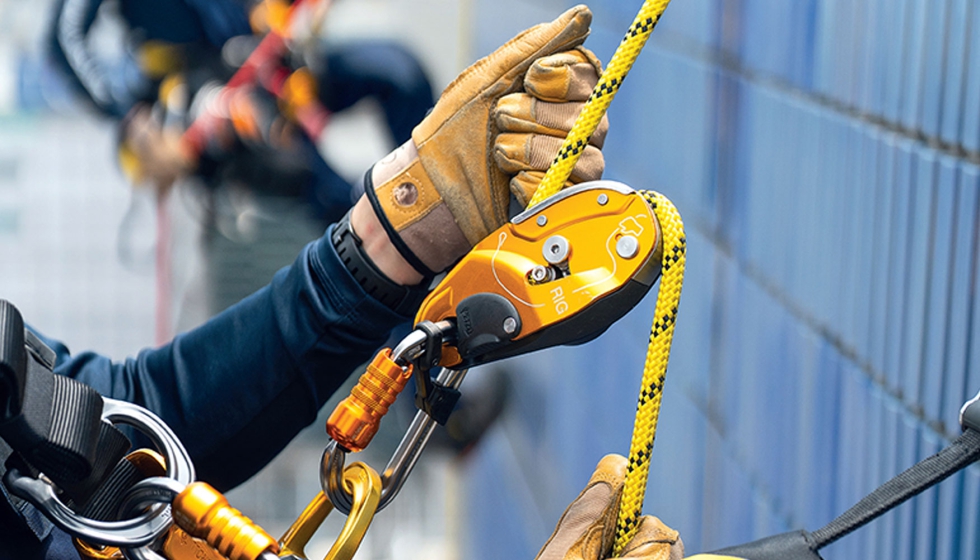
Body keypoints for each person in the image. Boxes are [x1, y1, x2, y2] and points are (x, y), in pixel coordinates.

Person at [5, 6, 682, 559]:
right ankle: (426, 371)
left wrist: (397, 227)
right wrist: (140, 119)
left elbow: (127, 416)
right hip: (207, 107)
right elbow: (70, 41)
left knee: (392, 74)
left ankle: (426, 235)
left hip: (265, 64)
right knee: (319, 186)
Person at [48, 0, 434, 223]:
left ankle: (437, 188)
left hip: (274, 53)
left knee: (398, 73)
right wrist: (131, 119)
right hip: (210, 94)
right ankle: (409, 331)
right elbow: (65, 38)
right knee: (345, 205)